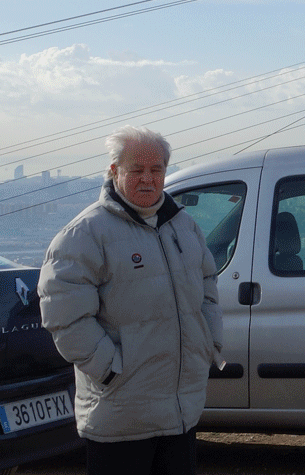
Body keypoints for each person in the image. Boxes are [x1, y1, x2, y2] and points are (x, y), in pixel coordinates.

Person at [39, 126, 223, 475]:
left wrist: (208, 343)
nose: (148, 179)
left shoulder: (183, 226)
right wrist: (110, 371)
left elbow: (208, 287)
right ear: (114, 171)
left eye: (156, 170)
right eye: (136, 170)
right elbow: (64, 316)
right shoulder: (84, 234)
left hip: (180, 411)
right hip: (120, 415)